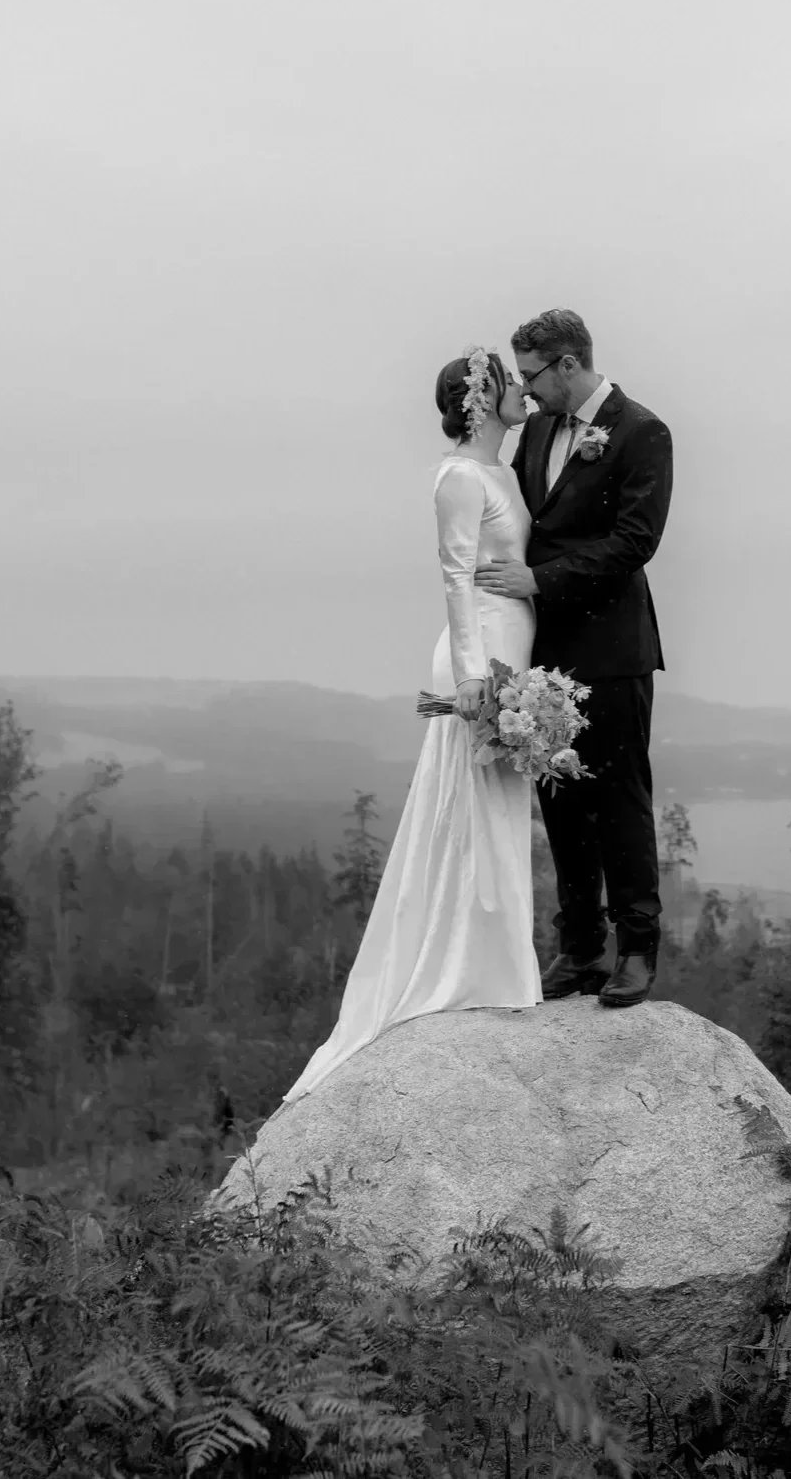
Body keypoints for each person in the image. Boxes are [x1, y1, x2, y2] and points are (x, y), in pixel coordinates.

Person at [279, 347, 541, 1104]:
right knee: (468, 806)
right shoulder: (458, 475)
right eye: (506, 383)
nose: (522, 391)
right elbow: (455, 575)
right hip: (480, 654)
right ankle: (468, 965)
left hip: (514, 652)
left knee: (501, 807)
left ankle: (501, 960)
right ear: (479, 400)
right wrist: (470, 680)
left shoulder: (507, 471)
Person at [475, 307, 673, 1008]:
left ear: (568, 364)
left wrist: (542, 581)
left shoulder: (642, 432)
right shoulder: (534, 434)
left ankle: (637, 950)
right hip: (544, 648)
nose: (526, 392)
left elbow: (634, 542)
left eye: (533, 377)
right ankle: (580, 947)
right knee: (558, 801)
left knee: (618, 800)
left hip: (613, 647)